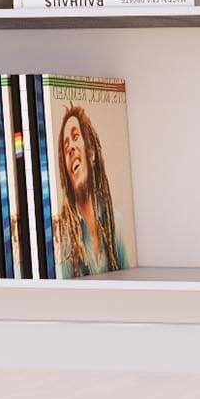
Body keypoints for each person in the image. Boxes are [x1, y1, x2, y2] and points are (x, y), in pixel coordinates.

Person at [53, 102, 127, 275]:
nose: (70, 147)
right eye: (65, 146)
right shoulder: (64, 240)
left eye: (75, 136)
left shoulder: (114, 223)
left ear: (91, 153)